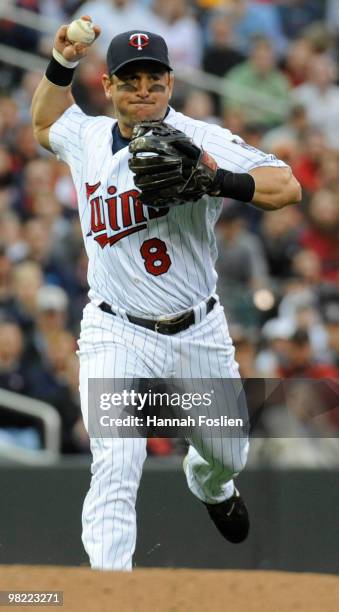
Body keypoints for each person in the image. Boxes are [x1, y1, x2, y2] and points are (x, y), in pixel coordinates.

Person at [31, 17, 301, 571]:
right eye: (131, 81)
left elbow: (288, 186)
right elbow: (43, 123)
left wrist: (217, 179)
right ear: (107, 86)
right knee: (117, 455)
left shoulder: (203, 140)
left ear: (170, 85)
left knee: (227, 454)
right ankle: (109, 594)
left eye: (154, 79)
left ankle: (209, 484)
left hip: (197, 331)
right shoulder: (87, 139)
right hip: (115, 328)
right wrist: (60, 62)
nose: (144, 91)